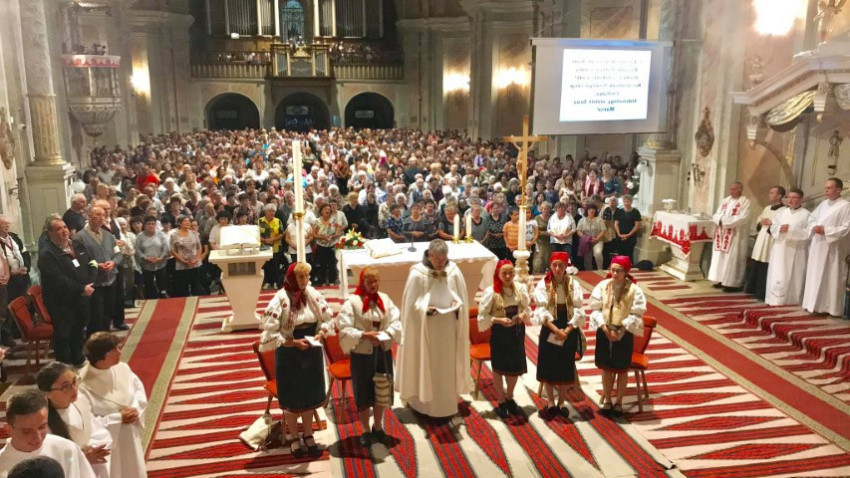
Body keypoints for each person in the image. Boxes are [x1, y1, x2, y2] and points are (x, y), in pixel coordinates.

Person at [259, 263, 333, 457]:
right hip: (289, 353)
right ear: (292, 278)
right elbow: (270, 333)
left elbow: (326, 318)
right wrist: (293, 343)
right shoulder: (281, 298)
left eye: (307, 277)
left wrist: (320, 333)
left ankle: (308, 434)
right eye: (300, 277)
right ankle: (294, 437)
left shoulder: (312, 294)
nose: (305, 281)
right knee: (291, 397)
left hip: (310, 350)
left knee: (309, 394)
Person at [396, 239, 471, 418]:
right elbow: (410, 307)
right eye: (437, 259)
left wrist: (457, 305)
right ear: (429, 255)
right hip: (426, 331)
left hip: (448, 329)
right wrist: (424, 310)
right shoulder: (418, 274)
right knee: (426, 363)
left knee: (446, 366)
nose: (441, 263)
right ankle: (422, 405)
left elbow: (462, 298)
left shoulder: (453, 271)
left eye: (444, 259)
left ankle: (447, 405)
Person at [336, 267, 402, 447]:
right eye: (369, 281)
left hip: (381, 352)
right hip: (362, 355)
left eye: (375, 281)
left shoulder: (385, 299)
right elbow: (344, 328)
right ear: (362, 282)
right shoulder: (352, 302)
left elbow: (396, 321)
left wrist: (385, 334)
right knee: (363, 392)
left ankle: (378, 427)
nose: (373, 285)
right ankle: (365, 429)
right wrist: (365, 335)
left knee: (381, 390)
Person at [79, 333, 148, 478]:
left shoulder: (123, 368)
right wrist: (118, 418)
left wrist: (135, 409)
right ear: (101, 355)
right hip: (109, 441)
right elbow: (87, 420)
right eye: (115, 350)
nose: (120, 352)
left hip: (129, 434)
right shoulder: (82, 384)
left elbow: (138, 391)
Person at [589, 256, 646, 415]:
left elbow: (636, 313)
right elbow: (595, 308)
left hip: (624, 332)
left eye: (619, 271)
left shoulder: (634, 290)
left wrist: (621, 331)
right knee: (606, 369)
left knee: (622, 369)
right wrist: (605, 328)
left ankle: (619, 402)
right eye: (612, 270)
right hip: (604, 330)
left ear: (625, 272)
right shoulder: (603, 286)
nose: (615, 273)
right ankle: (608, 400)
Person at [35, 362, 111, 478]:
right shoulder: (43, 423)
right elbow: (49, 459)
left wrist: (94, 448)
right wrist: (82, 458)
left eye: (75, 381)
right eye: (65, 387)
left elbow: (95, 430)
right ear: (48, 394)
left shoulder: (80, 400)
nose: (74, 389)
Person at [532, 252, 584, 417]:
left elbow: (578, 309)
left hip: (568, 325)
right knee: (548, 363)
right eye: (554, 265)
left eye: (561, 265)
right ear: (550, 265)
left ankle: (561, 402)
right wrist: (556, 330)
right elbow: (541, 310)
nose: (557, 268)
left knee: (565, 364)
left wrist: (567, 331)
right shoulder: (544, 284)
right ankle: (550, 402)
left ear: (566, 266)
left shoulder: (573, 284)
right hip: (550, 325)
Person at [477, 260, 532, 418]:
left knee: (514, 368)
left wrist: (522, 315)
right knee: (499, 367)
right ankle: (501, 400)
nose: (508, 276)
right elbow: (482, 315)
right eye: (504, 273)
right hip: (500, 333)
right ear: (498, 274)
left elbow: (526, 307)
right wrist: (499, 320)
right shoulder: (491, 291)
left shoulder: (520, 288)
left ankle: (510, 396)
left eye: (510, 273)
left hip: (516, 331)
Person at [38, 217, 95, 366]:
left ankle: (78, 358)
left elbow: (92, 263)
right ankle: (63, 365)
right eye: (58, 229)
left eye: (65, 227)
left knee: (78, 330)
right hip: (61, 301)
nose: (64, 231)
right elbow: (58, 279)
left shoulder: (77, 245)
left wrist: (90, 282)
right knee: (63, 334)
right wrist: (81, 288)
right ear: (50, 233)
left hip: (82, 297)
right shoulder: (47, 254)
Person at [0, 391, 95, 478]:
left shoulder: (67, 449)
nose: (37, 437)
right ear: (8, 429)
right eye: (26, 431)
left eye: (42, 427)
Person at [802, 178, 850, 317]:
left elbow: (847, 227)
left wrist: (827, 231)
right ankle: (813, 304)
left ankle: (831, 308)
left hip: (833, 247)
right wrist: (814, 227)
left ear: (838, 190)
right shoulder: (823, 204)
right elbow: (811, 219)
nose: (826, 190)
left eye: (829, 188)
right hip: (818, 245)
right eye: (825, 188)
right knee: (815, 274)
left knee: (831, 276)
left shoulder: (846, 206)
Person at [74, 207, 121, 335]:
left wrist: (113, 262)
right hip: (95, 281)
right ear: (89, 216)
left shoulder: (108, 235)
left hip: (111, 279)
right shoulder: (80, 237)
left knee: (108, 311)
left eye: (103, 215)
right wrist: (96, 265)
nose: (101, 218)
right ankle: (94, 340)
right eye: (97, 215)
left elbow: (118, 254)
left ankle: (105, 338)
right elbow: (79, 259)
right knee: (96, 314)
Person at [765, 188, 811, 306]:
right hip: (780, 247)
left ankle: (792, 300)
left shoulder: (807, 214)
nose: (790, 200)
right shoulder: (782, 212)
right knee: (778, 272)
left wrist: (791, 231)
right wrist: (780, 229)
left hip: (797, 249)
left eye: (794, 197)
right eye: (789, 197)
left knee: (794, 274)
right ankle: (775, 299)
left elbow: (809, 233)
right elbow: (773, 226)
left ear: (800, 199)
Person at [708, 182, 752, 291]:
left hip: (736, 236)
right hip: (721, 235)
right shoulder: (726, 200)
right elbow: (717, 214)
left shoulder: (745, 202)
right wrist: (720, 220)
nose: (732, 191)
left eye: (735, 189)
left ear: (741, 190)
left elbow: (743, 218)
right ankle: (719, 279)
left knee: (732, 258)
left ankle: (732, 283)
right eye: (731, 189)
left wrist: (724, 221)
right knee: (720, 257)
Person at [745, 186, 785, 301]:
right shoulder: (767, 208)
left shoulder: (783, 210)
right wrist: (760, 222)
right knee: (757, 262)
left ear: (779, 196)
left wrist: (771, 223)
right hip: (762, 238)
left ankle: (762, 292)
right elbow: (759, 219)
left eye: (772, 193)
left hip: (770, 239)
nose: (769, 195)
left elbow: (781, 225)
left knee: (766, 265)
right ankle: (753, 289)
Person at [134, 216, 170, 299]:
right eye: (148, 224)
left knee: (162, 285)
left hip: (160, 263)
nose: (151, 226)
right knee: (149, 286)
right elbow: (138, 250)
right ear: (144, 225)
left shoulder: (161, 235)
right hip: (146, 265)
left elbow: (166, 248)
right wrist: (145, 258)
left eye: (153, 224)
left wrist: (161, 257)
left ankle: (163, 297)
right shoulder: (140, 237)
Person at [170, 215, 202, 297]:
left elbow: (199, 247)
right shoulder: (174, 235)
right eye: (185, 221)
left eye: (188, 221)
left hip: (195, 263)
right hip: (182, 264)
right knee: (183, 286)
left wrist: (197, 259)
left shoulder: (194, 233)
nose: (188, 222)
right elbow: (172, 250)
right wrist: (183, 261)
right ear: (180, 223)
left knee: (195, 284)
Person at [259, 204, 284, 290]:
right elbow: (256, 234)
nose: (271, 213)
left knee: (275, 266)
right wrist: (264, 240)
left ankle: (276, 282)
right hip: (264, 247)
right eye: (269, 211)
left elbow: (282, 233)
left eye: (273, 211)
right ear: (265, 212)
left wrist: (273, 239)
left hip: (276, 247)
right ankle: (267, 282)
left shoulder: (278, 221)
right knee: (267, 266)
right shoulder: (259, 221)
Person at [576, 205, 605, 270]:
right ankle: (589, 272)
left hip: (597, 240)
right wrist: (586, 238)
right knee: (587, 259)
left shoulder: (599, 219)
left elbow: (603, 230)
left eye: (593, 209)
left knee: (598, 253)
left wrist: (597, 238)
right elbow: (578, 231)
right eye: (590, 209)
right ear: (587, 210)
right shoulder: (582, 220)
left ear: (595, 210)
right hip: (586, 242)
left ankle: (600, 269)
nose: (591, 210)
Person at [613, 194, 642, 262]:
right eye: (625, 201)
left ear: (631, 202)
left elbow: (637, 225)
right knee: (620, 254)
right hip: (620, 236)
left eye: (628, 201)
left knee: (629, 255)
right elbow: (616, 224)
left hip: (631, 237)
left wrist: (628, 235)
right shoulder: (619, 211)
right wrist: (619, 234)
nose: (626, 203)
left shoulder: (635, 212)